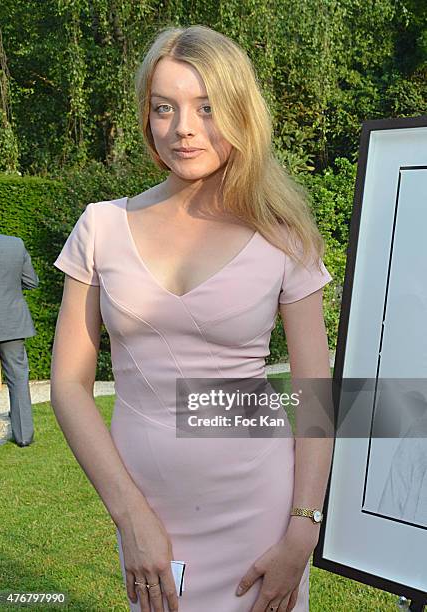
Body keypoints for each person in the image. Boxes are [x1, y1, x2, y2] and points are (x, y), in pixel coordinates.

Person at [51, 24, 334, 612]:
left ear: (239, 112)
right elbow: (69, 386)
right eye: (165, 107)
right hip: (149, 513)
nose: (183, 127)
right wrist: (131, 518)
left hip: (259, 510)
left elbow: (314, 394)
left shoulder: (284, 237)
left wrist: (302, 530)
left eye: (206, 107)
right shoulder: (101, 227)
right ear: (146, 117)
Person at [0, 232, 38, 447]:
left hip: (12, 322)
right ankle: (23, 436)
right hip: (12, 322)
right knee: (18, 377)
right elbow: (31, 282)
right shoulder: (15, 244)